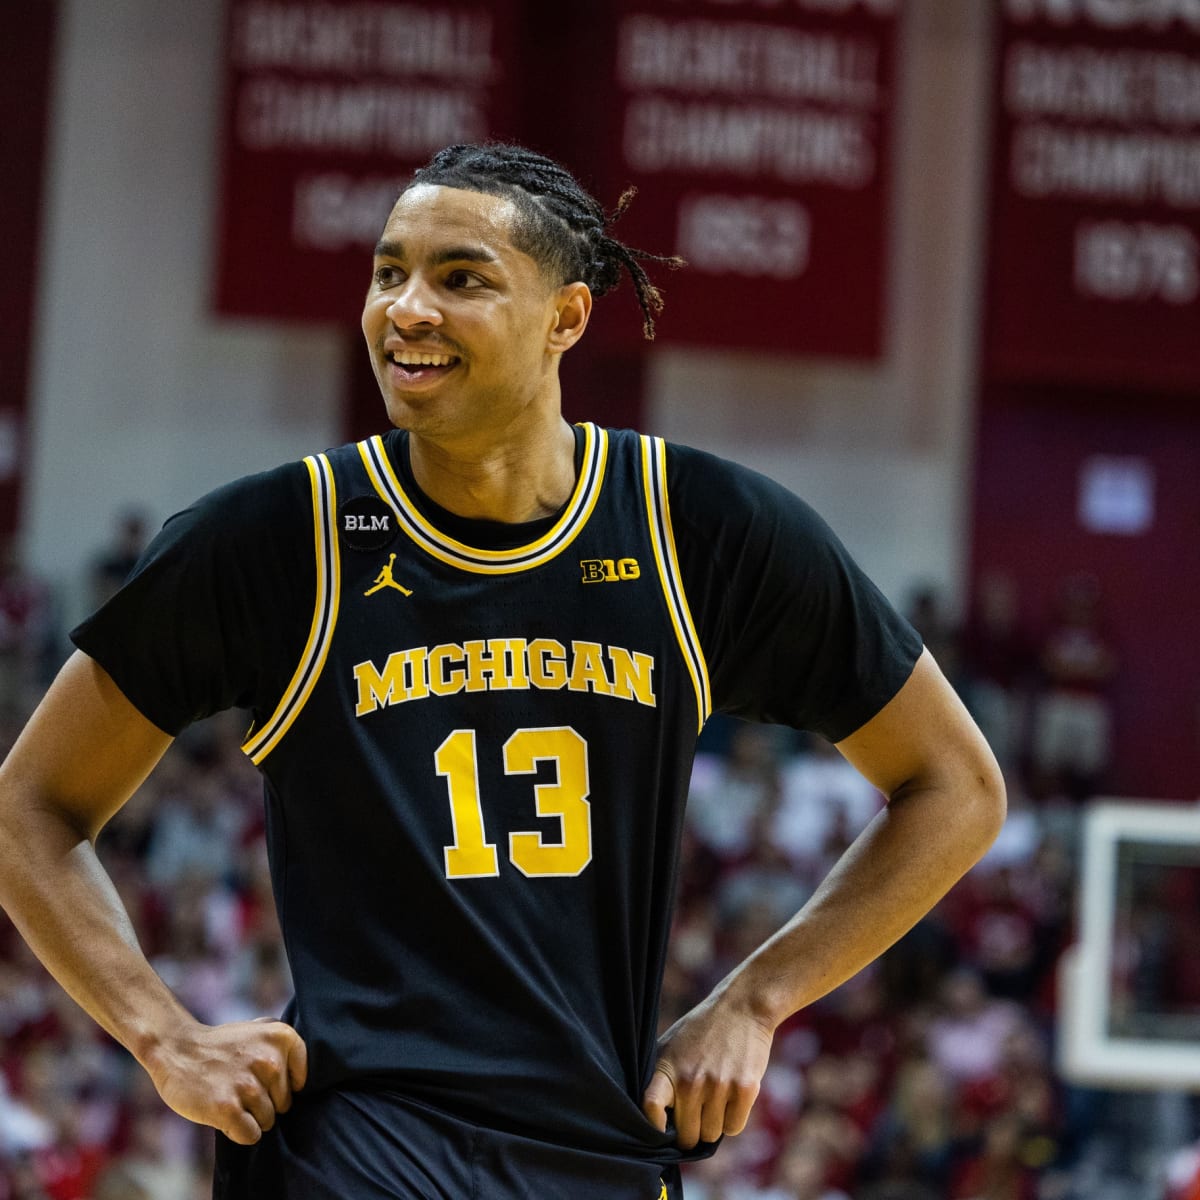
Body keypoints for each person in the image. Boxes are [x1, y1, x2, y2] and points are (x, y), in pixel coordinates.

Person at [0, 143, 1005, 1198]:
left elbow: (958, 788)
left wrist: (757, 999)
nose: (407, 308)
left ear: (566, 317)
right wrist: (163, 1039)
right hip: (356, 1144)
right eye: (390, 272)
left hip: (597, 1147)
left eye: (461, 277)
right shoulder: (278, 536)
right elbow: (30, 804)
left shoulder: (700, 530)